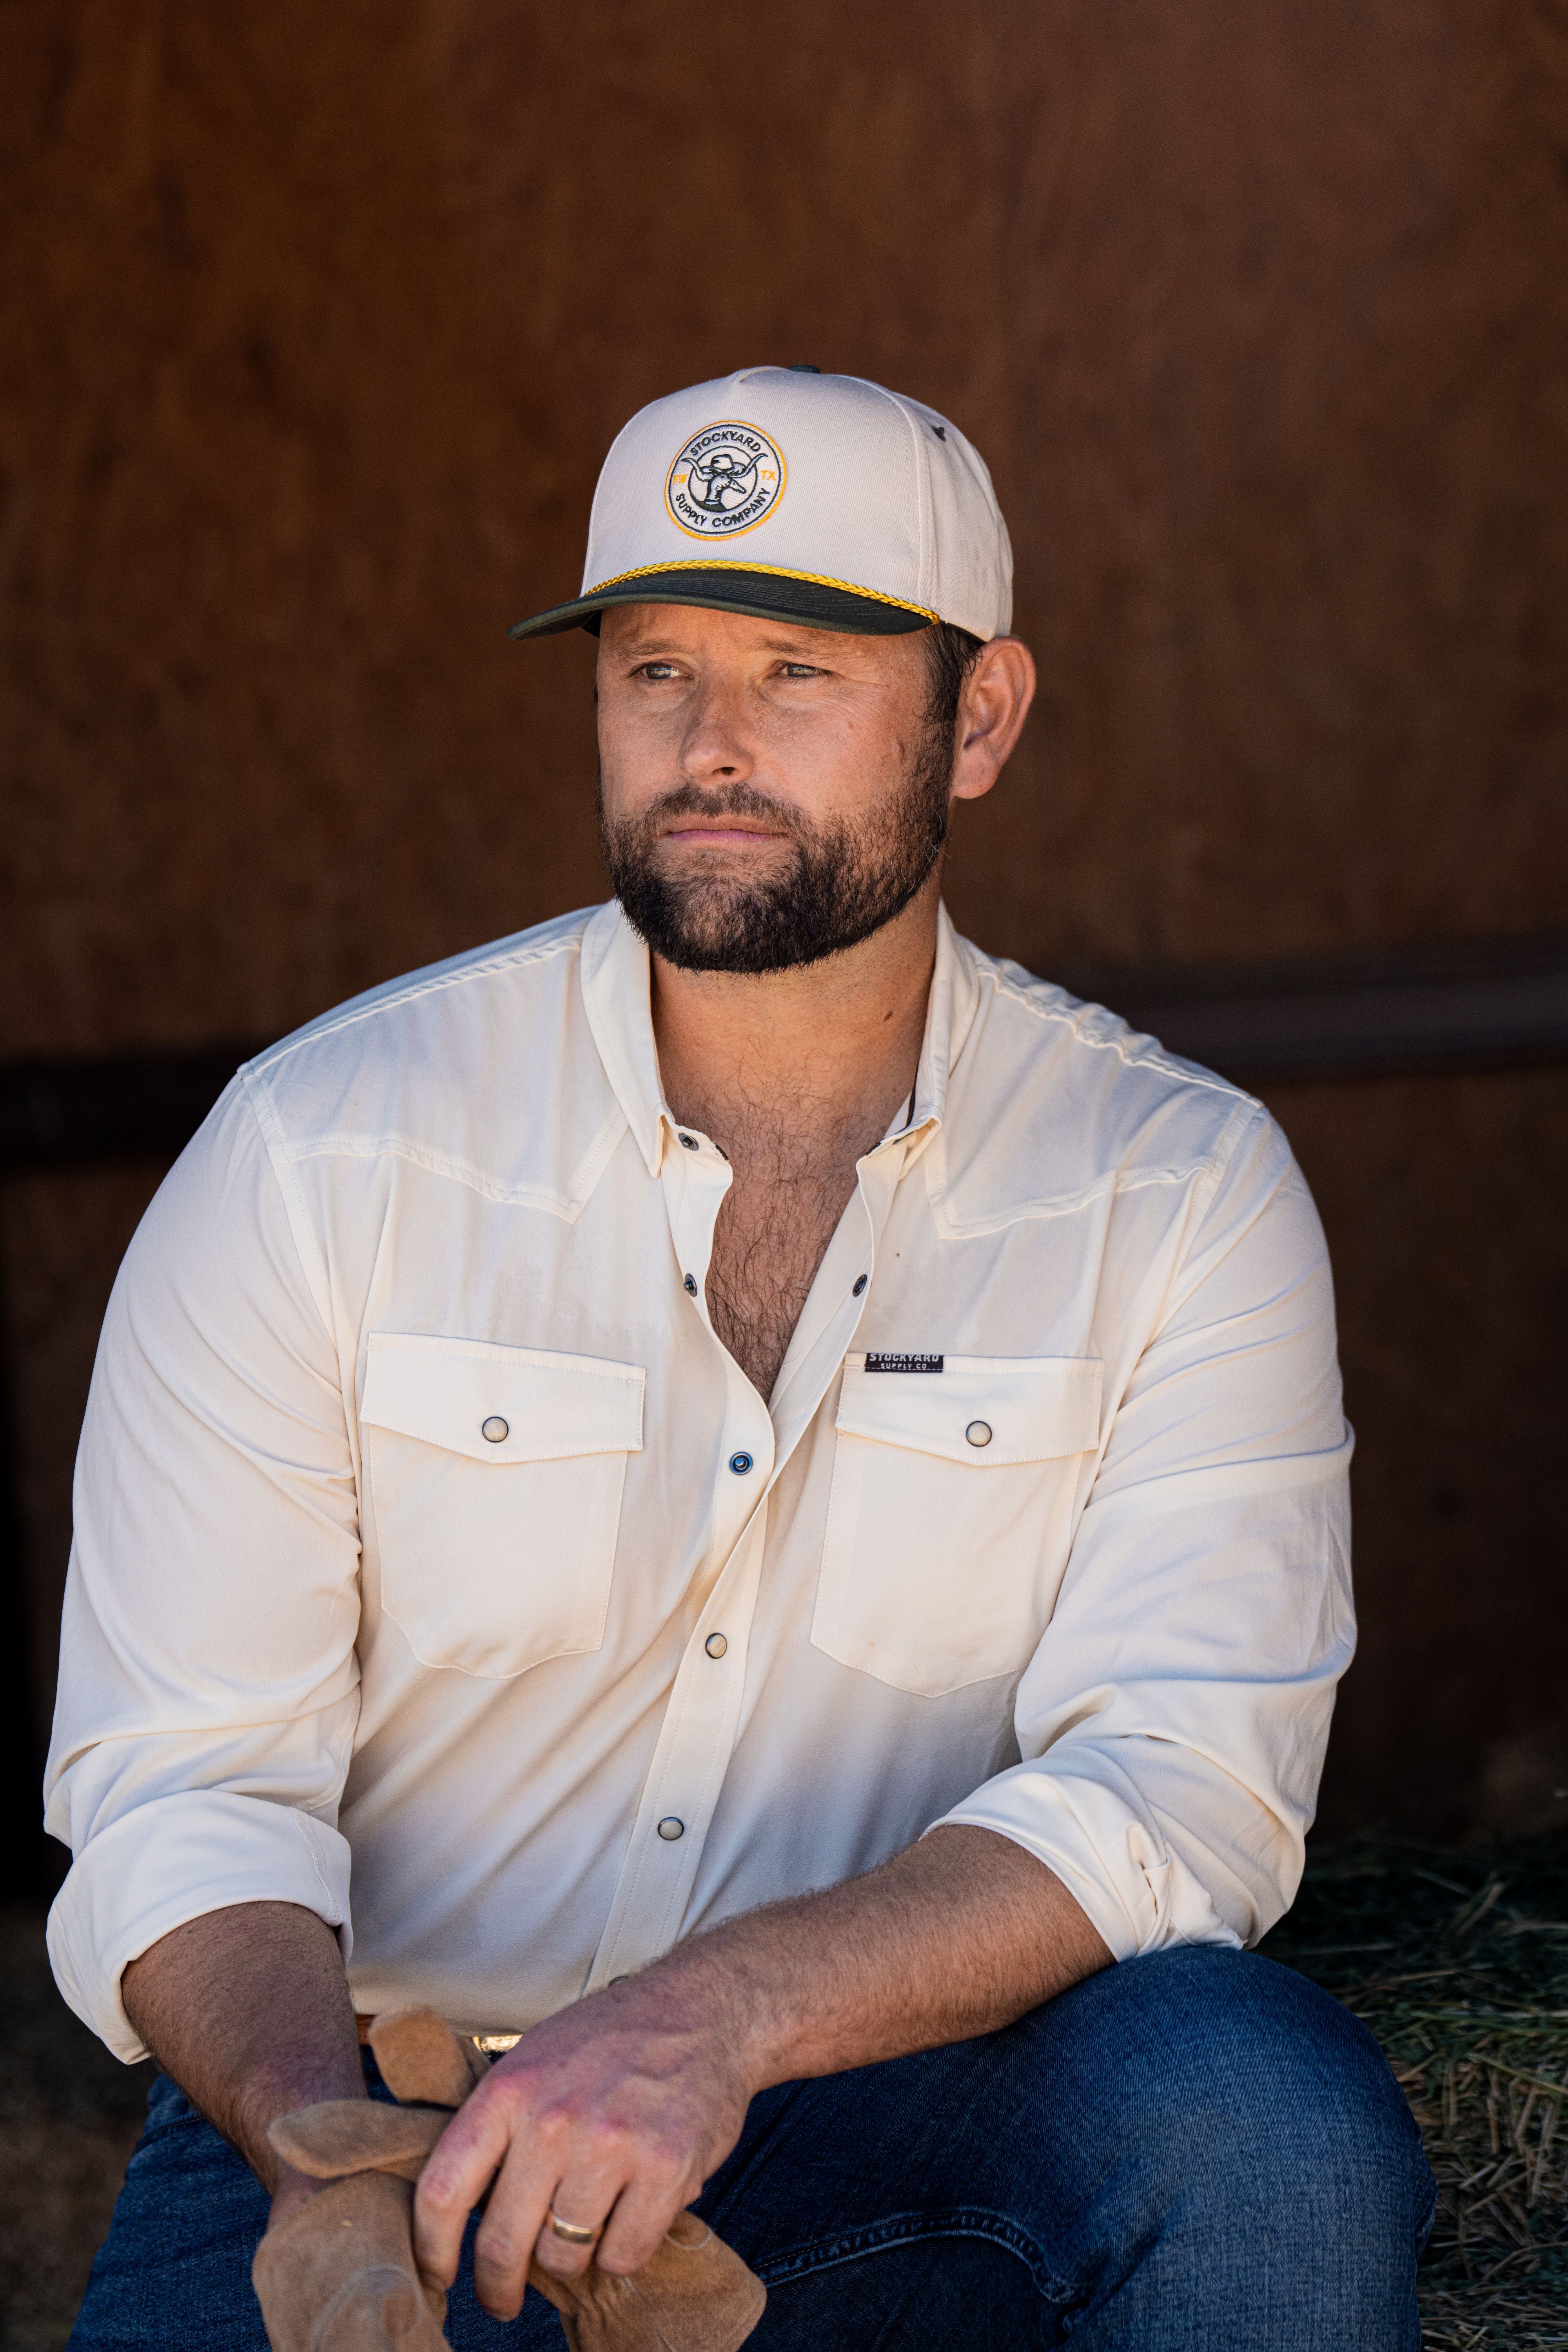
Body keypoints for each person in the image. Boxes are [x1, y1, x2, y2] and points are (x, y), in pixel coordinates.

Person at [47, 366, 1433, 2350]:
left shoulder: (1175, 1187)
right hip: (374, 2146)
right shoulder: (313, 1149)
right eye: (651, 670)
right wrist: (312, 2133)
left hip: (881, 2114)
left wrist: (704, 2026)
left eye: (799, 671)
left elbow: (1182, 1781)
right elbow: (183, 1783)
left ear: (983, 720)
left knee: (1258, 2112)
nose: (708, 743)